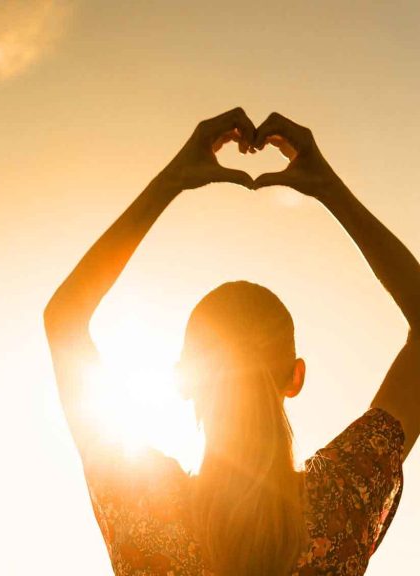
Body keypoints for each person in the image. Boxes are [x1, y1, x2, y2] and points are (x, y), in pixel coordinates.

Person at [43, 108, 420, 575]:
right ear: (295, 377)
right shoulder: (344, 499)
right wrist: (328, 189)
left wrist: (172, 181)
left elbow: (64, 320)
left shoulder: (144, 503)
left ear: (183, 377)